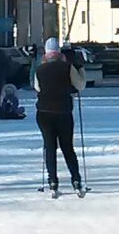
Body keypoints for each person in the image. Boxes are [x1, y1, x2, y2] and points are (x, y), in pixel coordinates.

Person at [35, 38, 85, 196]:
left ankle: (52, 181)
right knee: (67, 147)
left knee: (49, 147)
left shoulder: (40, 69)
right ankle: (76, 179)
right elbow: (80, 85)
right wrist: (80, 68)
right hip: (63, 112)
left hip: (44, 112)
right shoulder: (67, 67)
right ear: (60, 52)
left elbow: (37, 87)